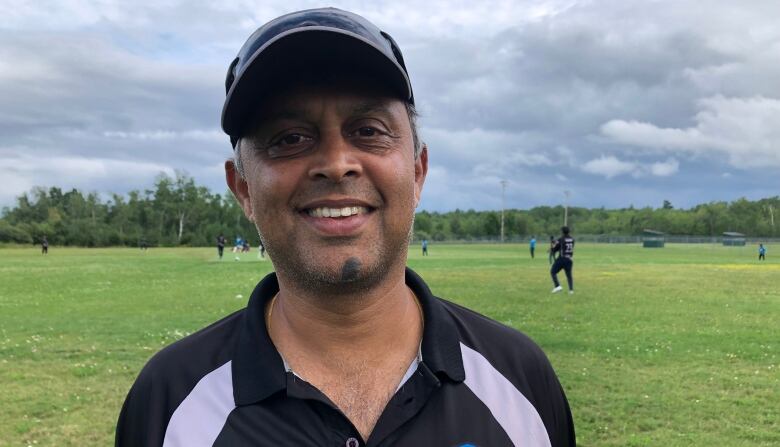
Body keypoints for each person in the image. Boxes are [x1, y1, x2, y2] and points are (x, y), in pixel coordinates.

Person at [116, 8, 574, 447]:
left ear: (417, 171)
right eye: (290, 138)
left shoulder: (520, 378)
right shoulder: (168, 402)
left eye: (369, 130)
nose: (336, 165)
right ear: (243, 189)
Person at [551, 226, 575, 294]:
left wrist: (552, 248)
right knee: (569, 275)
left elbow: (556, 248)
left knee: (553, 272)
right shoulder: (572, 239)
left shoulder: (561, 239)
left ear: (562, 232)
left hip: (562, 258)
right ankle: (571, 290)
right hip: (569, 259)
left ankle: (557, 286)